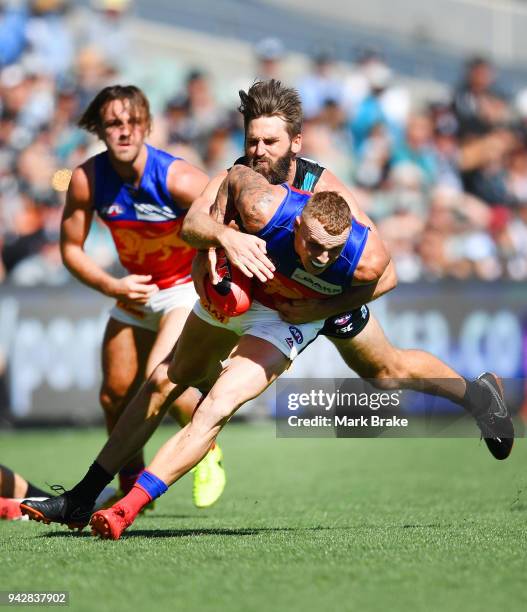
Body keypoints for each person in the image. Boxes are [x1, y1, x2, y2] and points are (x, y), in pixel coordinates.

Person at [20, 81, 513, 533]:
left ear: (295, 143)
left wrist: (323, 306)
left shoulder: (325, 192)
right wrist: (224, 238)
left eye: (270, 143)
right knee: (163, 381)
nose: (258, 151)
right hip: (260, 296)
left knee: (386, 373)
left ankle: (476, 396)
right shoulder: (238, 177)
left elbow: (383, 274)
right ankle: (83, 497)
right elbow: (193, 225)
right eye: (253, 140)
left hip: (316, 303)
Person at [59, 84, 224, 508]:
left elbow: (228, 216)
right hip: (133, 290)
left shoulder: (179, 177)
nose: (125, 132)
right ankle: (132, 481)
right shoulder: (86, 179)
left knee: (159, 377)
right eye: (114, 123)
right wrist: (111, 286)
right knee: (113, 395)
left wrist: (218, 278)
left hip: (183, 288)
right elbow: (70, 249)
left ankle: (205, 447)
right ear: (99, 129)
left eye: (134, 123)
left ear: (147, 126)